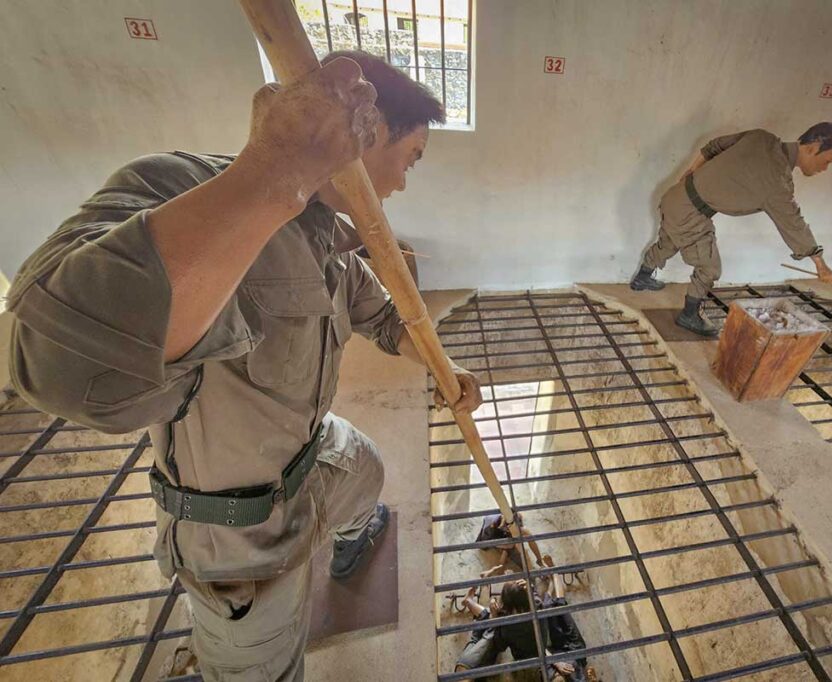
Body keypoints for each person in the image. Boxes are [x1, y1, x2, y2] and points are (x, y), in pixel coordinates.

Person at [5, 51, 482, 681]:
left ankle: (350, 533)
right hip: (235, 524)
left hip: (311, 452)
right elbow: (42, 356)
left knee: (365, 468)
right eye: (409, 159)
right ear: (366, 131)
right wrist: (276, 172)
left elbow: (388, 320)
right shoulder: (176, 185)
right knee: (259, 666)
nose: (400, 184)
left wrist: (445, 370)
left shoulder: (328, 239)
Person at [631, 123, 832, 337]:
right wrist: (820, 264)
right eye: (828, 161)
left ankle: (642, 277)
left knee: (668, 242)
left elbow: (714, 146)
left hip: (676, 197)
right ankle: (689, 315)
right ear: (812, 147)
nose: (825, 168)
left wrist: (693, 170)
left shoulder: (761, 137)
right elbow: (795, 225)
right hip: (691, 214)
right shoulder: (778, 183)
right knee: (710, 268)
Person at [476, 512, 548, 568]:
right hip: (493, 538)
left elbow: (522, 530)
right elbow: (489, 542)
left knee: (527, 534)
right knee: (507, 553)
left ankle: (539, 560)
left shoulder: (512, 516)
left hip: (505, 530)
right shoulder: (491, 528)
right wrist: (510, 545)